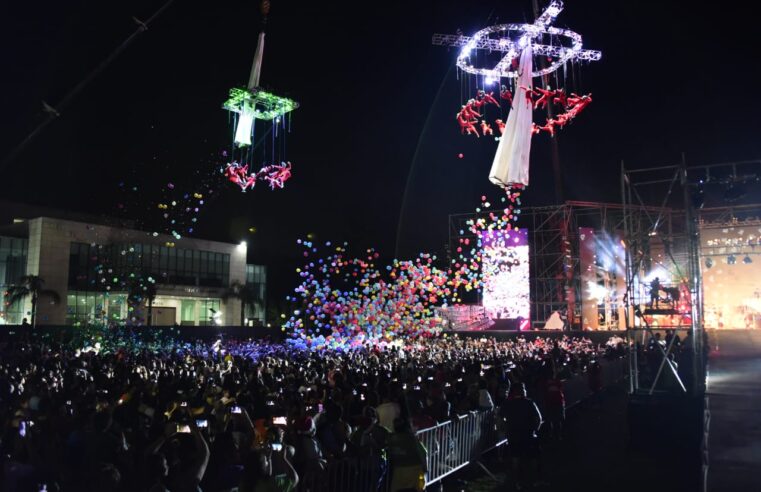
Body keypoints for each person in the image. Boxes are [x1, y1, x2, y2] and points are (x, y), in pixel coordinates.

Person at [499, 383, 543, 490]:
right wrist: (535, 430)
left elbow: (500, 417)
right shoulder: (529, 402)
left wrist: (505, 428)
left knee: (515, 458)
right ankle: (531, 481)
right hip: (528, 434)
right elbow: (539, 418)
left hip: (513, 434)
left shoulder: (507, 404)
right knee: (532, 458)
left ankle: (516, 482)